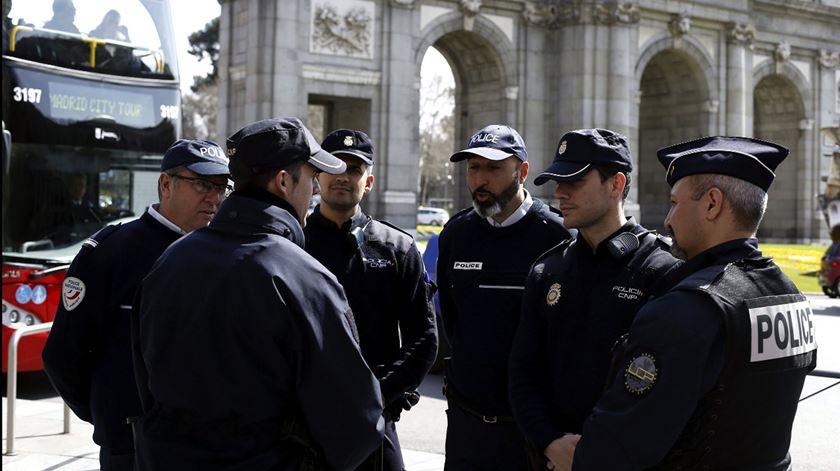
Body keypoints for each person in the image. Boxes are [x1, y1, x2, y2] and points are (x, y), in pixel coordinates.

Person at [131, 118, 385, 470]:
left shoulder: (171, 259)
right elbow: (356, 422)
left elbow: (144, 382)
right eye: (311, 178)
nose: (315, 191)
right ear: (283, 181)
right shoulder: (304, 278)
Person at [564, 136, 818, 470]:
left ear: (712, 204)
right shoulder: (790, 295)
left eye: (674, 203)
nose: (668, 220)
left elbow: (615, 449)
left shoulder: (687, 310)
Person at [42, 139, 232, 471]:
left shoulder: (225, 254)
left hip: (205, 446)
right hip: (131, 447)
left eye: (221, 187)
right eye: (202, 184)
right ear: (165, 184)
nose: (214, 197)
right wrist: (109, 414)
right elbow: (63, 355)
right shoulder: (111, 252)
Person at [507, 128, 681, 469]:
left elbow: (665, 394)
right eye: (558, 181)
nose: (559, 193)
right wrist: (549, 442)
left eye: (573, 182)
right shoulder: (547, 270)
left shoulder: (661, 270)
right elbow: (522, 371)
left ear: (615, 184)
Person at [437, 124, 573, 470]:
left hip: (530, 433)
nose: (481, 179)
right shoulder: (456, 234)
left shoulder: (558, 236)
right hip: (466, 426)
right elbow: (454, 319)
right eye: (474, 168)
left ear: (522, 172)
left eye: (494, 168)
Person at [304, 128, 438, 471]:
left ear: (370, 181)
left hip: (374, 415)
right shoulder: (293, 242)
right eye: (333, 167)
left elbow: (423, 338)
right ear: (317, 176)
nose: (343, 177)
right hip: (304, 419)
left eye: (354, 169)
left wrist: (378, 394)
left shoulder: (398, 247)